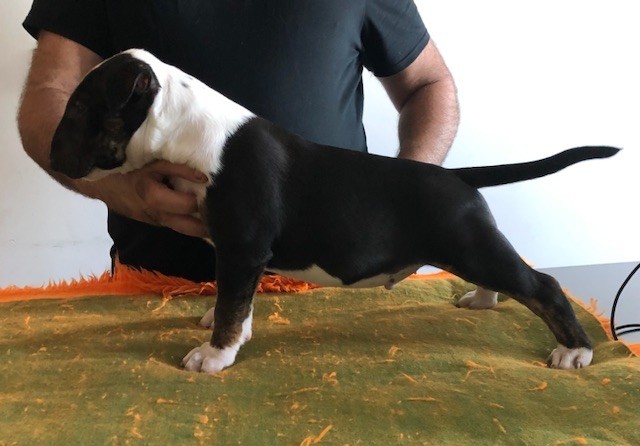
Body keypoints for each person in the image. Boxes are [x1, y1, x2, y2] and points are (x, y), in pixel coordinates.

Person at [18, 1, 459, 282]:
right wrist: (117, 188)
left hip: (334, 290)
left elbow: (428, 85)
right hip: (158, 290)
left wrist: (408, 204)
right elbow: (47, 96)